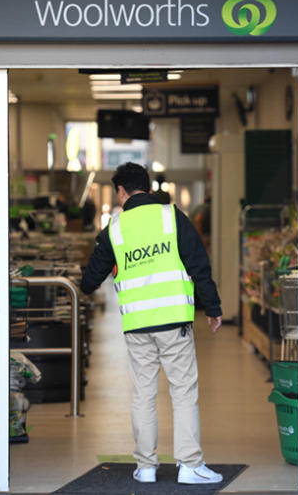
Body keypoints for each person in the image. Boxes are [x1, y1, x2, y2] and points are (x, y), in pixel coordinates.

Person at [80, 162, 224, 485]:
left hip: (138, 326)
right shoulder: (172, 217)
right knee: (183, 392)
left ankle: (146, 467)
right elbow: (199, 264)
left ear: (121, 192)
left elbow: (89, 281)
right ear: (146, 186)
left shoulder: (114, 230)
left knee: (143, 394)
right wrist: (212, 307)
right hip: (174, 322)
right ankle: (189, 465)